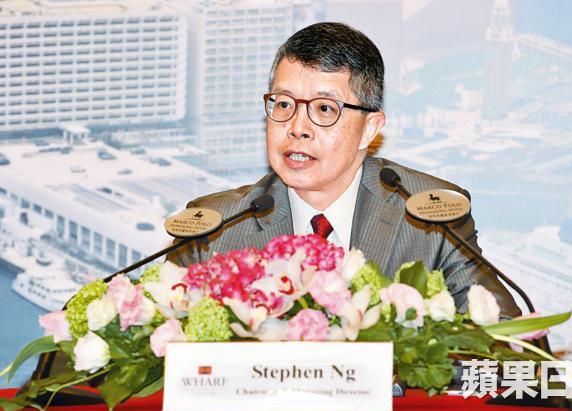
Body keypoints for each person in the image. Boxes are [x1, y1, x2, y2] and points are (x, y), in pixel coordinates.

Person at [169, 22, 521, 318]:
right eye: (284, 104)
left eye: (324, 109)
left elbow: (508, 345)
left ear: (369, 129)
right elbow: (153, 345)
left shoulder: (429, 217)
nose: (297, 127)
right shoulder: (215, 228)